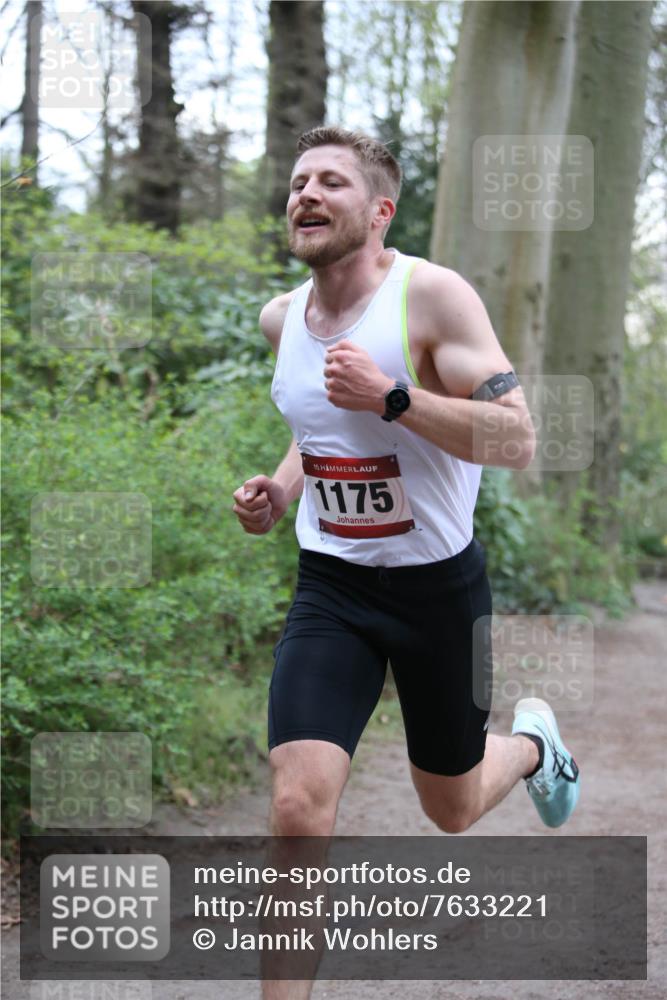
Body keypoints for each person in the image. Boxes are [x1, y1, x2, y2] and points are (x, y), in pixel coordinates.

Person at [232, 125, 580, 847]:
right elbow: (319, 424)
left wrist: (393, 396)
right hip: (333, 586)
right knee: (297, 808)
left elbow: (516, 439)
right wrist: (284, 488)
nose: (307, 194)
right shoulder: (281, 319)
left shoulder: (430, 297)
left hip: (438, 591)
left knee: (449, 810)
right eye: (298, 184)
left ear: (380, 212)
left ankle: (531, 749)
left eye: (331, 182)